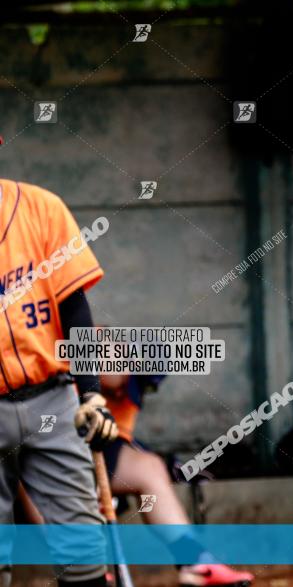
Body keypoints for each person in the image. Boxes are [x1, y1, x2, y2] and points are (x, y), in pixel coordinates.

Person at [0, 179, 117, 586]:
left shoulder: (42, 208)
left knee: (83, 550)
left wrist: (91, 393)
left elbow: (74, 308)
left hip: (51, 397)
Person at [99, 372, 254, 587]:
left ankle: (195, 563)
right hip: (51, 449)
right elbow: (110, 375)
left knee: (148, 468)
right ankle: (81, 570)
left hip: (92, 445)